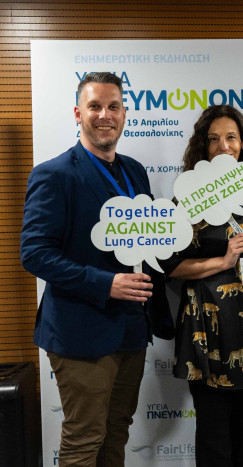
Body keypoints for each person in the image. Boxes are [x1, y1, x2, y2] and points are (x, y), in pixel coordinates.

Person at [20, 72, 156, 466]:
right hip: (80, 331)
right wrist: (105, 283)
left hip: (131, 328)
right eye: (95, 106)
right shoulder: (54, 174)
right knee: (84, 441)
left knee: (116, 434)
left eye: (114, 106)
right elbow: (34, 254)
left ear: (124, 114)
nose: (105, 115)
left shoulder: (135, 172)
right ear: (78, 114)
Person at [159, 105, 243, 467]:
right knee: (214, 435)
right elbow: (170, 266)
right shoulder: (189, 200)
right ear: (203, 148)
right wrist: (222, 262)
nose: (223, 146)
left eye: (231, 137)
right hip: (206, 330)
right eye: (213, 139)